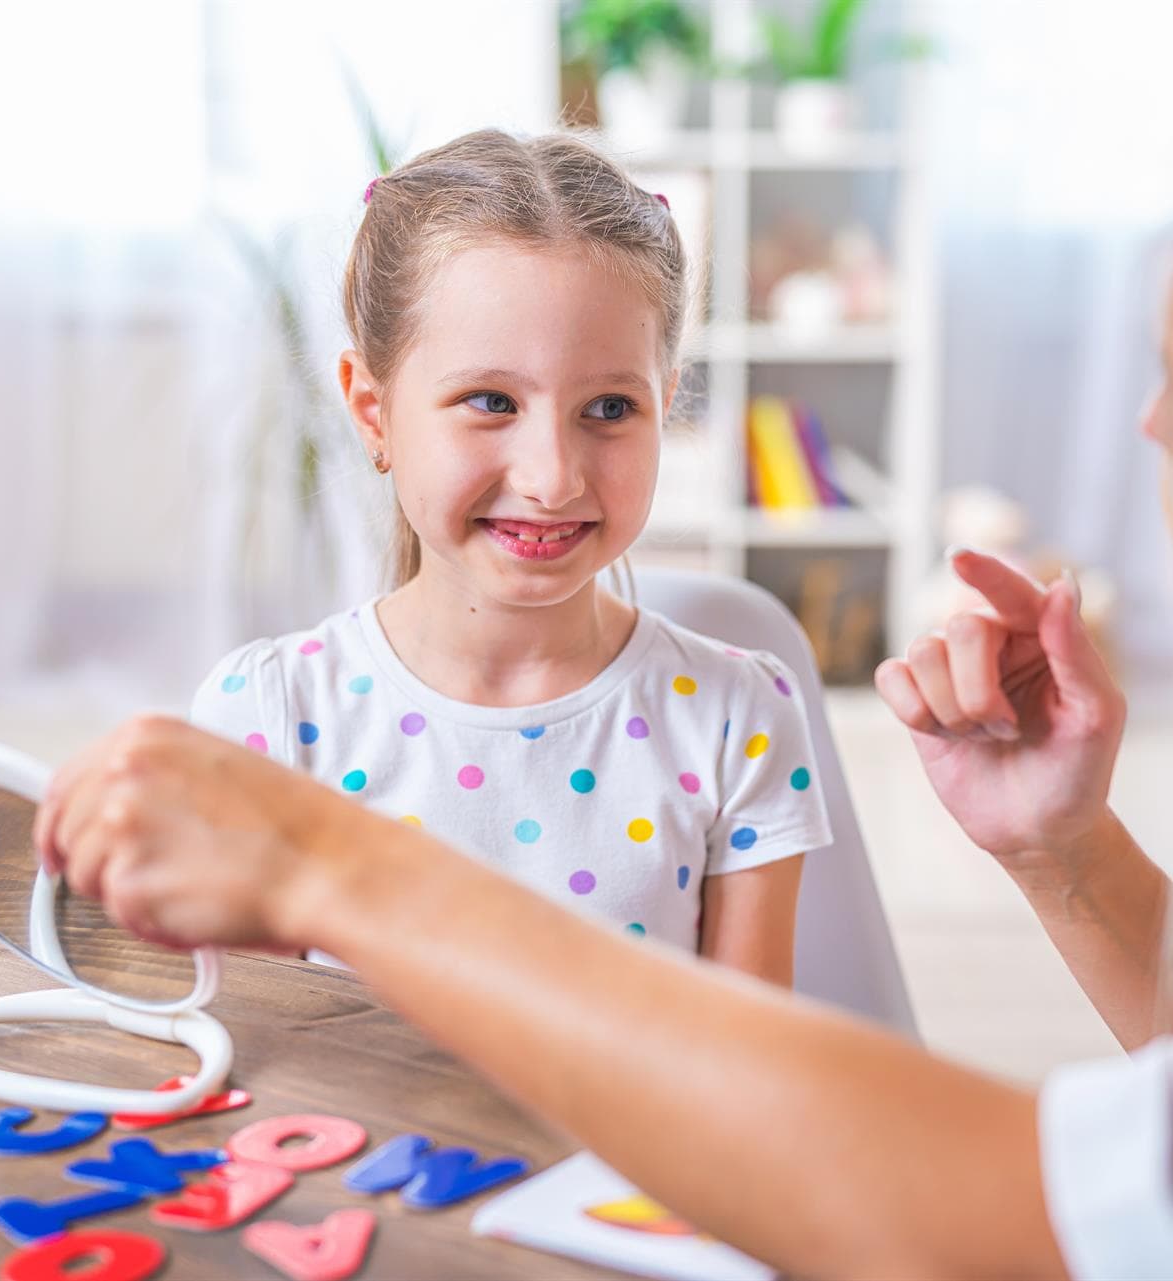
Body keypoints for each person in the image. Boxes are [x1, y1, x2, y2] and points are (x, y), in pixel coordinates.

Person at [34, 3, 1173, 1275]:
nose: (1155, 430)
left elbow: (998, 1227)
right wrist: (1070, 852)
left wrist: (336, 867)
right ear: (372, 412)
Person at [189, 130, 827, 981]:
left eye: (608, 408)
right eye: (490, 401)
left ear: (664, 406)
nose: (553, 478)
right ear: (374, 411)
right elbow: (262, 1072)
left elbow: (749, 1077)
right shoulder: (265, 719)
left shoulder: (737, 717)